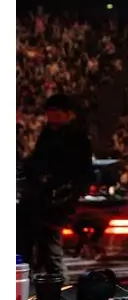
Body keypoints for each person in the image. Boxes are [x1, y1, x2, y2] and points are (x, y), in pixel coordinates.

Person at [17, 94, 94, 276]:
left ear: (68, 114)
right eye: (49, 112)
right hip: (38, 197)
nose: (51, 116)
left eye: (55, 112)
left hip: (57, 200)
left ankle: (57, 284)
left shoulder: (78, 137)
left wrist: (66, 195)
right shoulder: (48, 133)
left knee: (50, 246)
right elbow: (37, 160)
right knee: (26, 243)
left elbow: (81, 173)